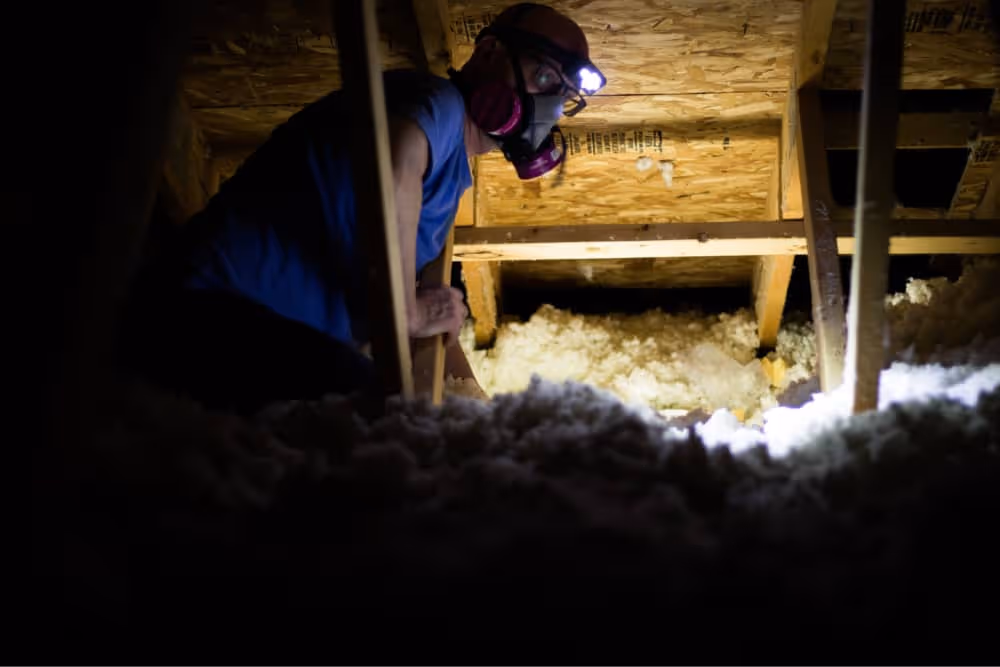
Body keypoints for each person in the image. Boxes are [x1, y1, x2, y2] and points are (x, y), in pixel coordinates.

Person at [118, 2, 605, 414]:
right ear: (489, 53)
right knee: (375, 427)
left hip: (267, 338)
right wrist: (407, 312)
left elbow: (414, 314)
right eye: (543, 76)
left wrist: (481, 411)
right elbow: (398, 160)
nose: (551, 107)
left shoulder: (452, 173)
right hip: (208, 313)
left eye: (563, 96)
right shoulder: (435, 102)